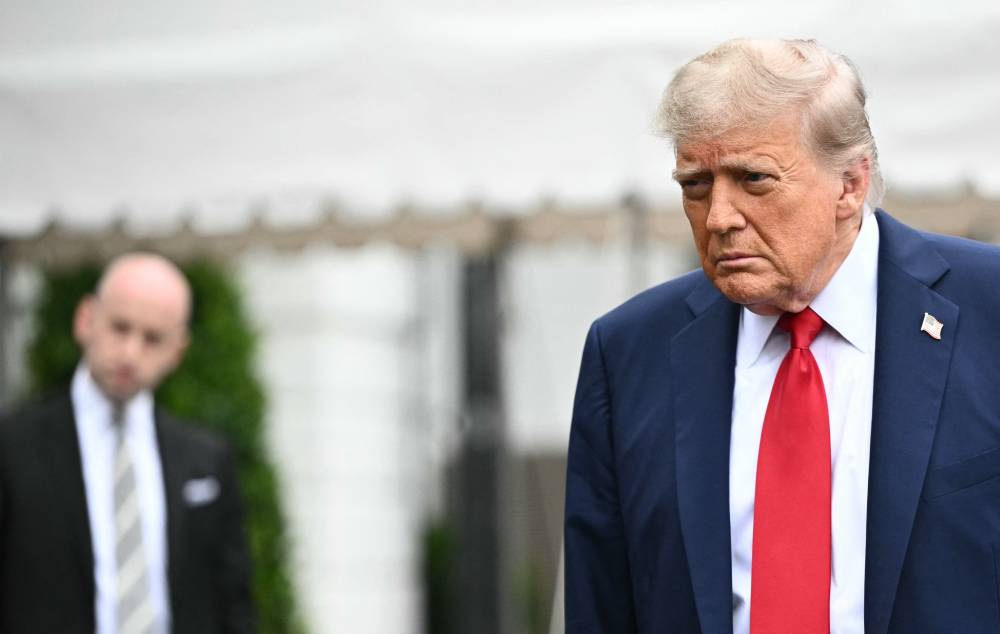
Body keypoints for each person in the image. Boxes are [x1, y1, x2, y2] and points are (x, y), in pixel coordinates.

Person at [564, 38, 1000, 633]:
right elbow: (600, 603)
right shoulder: (628, 353)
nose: (719, 216)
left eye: (754, 179)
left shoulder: (986, 309)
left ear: (850, 184)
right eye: (695, 185)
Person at [0, 253, 257, 633]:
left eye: (153, 338)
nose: (130, 353)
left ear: (177, 351)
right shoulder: (13, 446)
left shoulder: (205, 459)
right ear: (86, 319)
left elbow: (233, 602)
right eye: (120, 328)